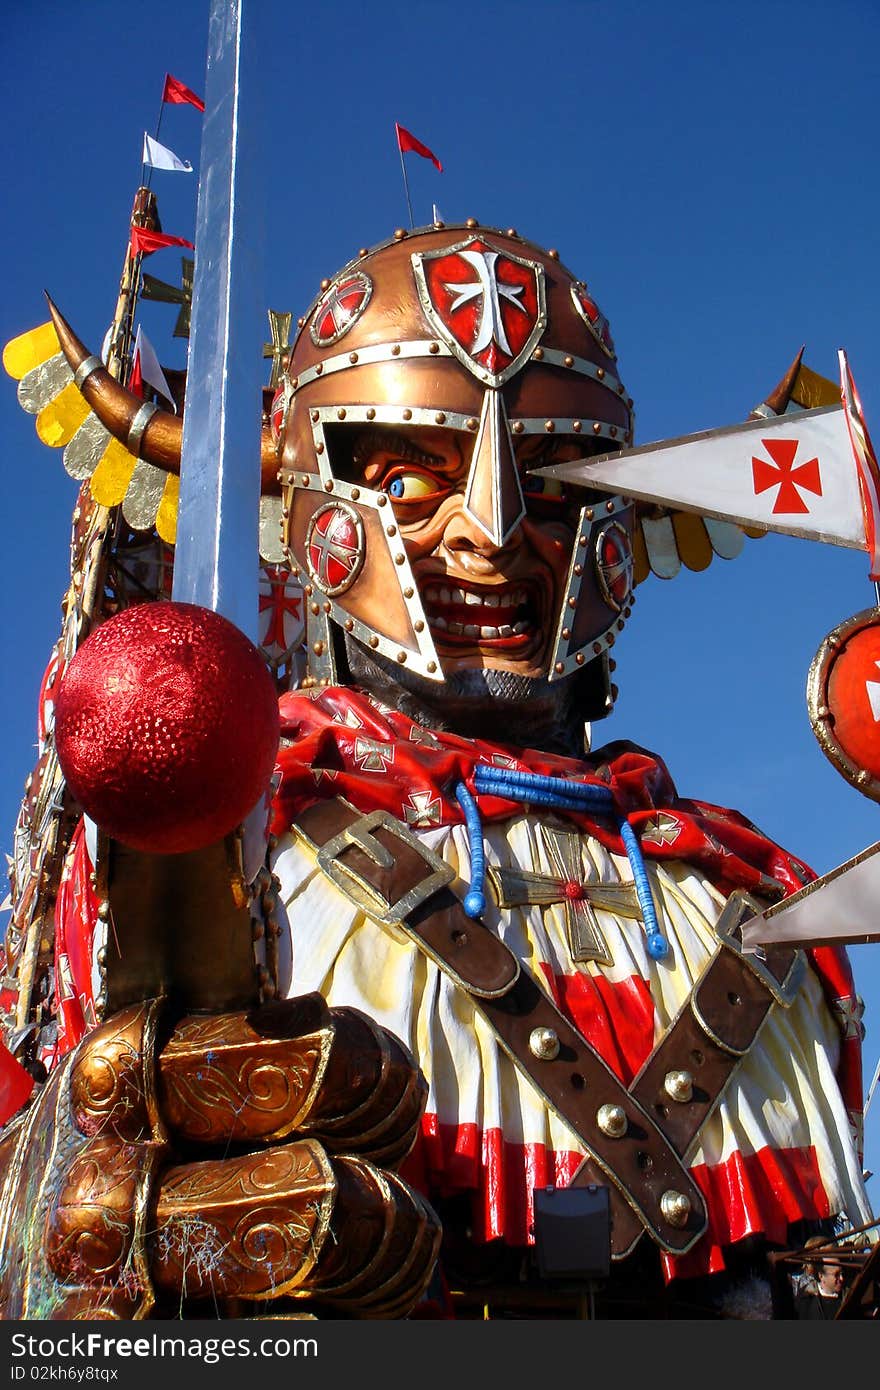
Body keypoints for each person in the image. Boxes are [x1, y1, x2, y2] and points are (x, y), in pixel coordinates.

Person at [0, 220, 873, 1319]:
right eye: (412, 484)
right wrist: (124, 1226)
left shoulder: (755, 891)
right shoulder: (239, 844)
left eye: (552, 483)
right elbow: (59, 1195)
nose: (491, 533)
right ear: (314, 511)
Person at [794, 1247, 848, 1320]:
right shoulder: (805, 1300)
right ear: (821, 1276)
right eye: (836, 1274)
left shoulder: (848, 1297)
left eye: (842, 1273)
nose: (841, 1278)